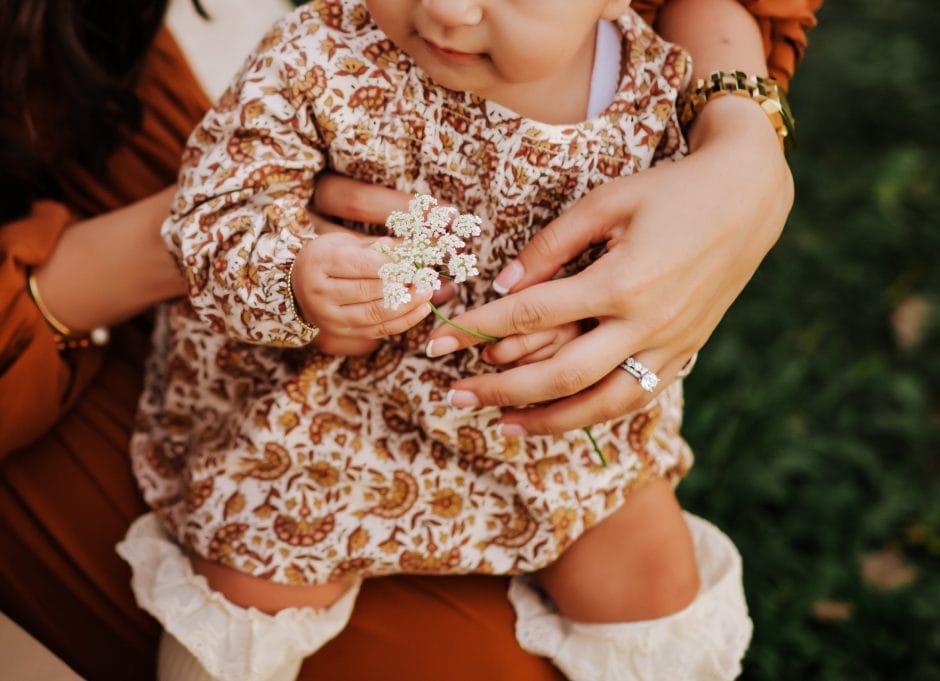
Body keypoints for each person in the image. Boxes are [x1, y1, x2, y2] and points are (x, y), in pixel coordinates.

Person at [0, 1, 819, 680]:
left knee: (648, 575)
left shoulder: (653, 85)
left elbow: (672, 245)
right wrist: (294, 278)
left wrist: (731, 165)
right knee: (248, 586)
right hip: (334, 411)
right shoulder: (323, 58)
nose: (446, 9)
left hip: (540, 423)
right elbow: (213, 216)